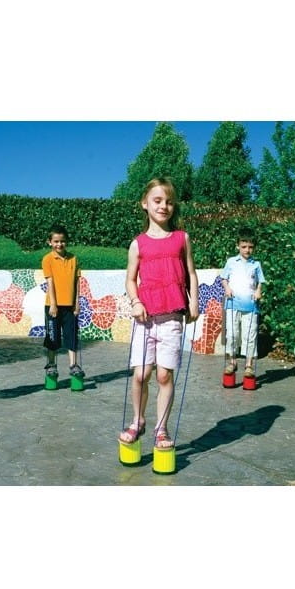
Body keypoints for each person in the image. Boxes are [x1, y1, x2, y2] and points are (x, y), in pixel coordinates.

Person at [118, 178, 199, 450]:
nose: (164, 206)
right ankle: (137, 421)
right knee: (141, 375)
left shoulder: (181, 238)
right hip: (146, 319)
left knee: (164, 375)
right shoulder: (138, 244)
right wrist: (135, 302)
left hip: (172, 318)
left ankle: (161, 429)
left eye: (169, 202)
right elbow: (130, 280)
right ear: (145, 203)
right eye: (157, 200)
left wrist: (194, 301)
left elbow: (191, 273)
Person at [220, 227, 266, 378]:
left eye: (250, 247)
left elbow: (260, 281)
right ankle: (232, 362)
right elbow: (224, 278)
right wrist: (227, 288)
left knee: (250, 335)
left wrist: (258, 290)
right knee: (232, 334)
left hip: (250, 306)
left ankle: (249, 365)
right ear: (238, 246)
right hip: (233, 303)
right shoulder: (231, 262)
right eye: (244, 246)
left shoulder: (256, 264)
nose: (247, 250)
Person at [41, 223, 83, 380]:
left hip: (70, 307)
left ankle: (73, 365)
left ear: (67, 241)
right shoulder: (47, 259)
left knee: (71, 336)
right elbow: (50, 282)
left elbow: (77, 282)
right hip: (53, 306)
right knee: (53, 337)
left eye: (62, 241)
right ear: (50, 242)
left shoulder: (73, 259)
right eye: (56, 241)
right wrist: (53, 304)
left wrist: (76, 303)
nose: (59, 244)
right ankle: (51, 365)